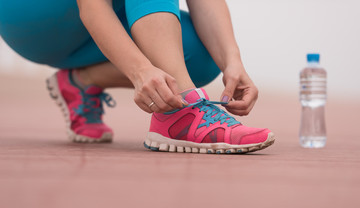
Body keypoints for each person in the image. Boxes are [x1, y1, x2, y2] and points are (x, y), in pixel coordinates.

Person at [0, 0, 275, 153]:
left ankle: (80, 82)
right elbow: (93, 7)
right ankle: (181, 111)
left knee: (200, 57)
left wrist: (232, 62)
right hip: (32, 18)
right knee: (174, 65)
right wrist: (140, 71)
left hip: (87, 30)